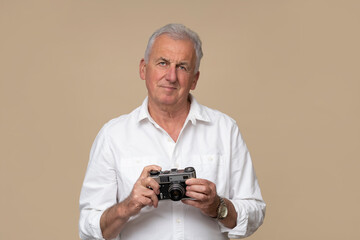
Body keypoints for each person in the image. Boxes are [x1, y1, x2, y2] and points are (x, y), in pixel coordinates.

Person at [79, 23, 266, 240]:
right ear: (143, 69)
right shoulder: (113, 136)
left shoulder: (225, 130)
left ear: (194, 79)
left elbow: (255, 212)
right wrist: (128, 206)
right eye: (162, 63)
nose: (171, 76)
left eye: (182, 67)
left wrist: (218, 206)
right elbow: (88, 229)